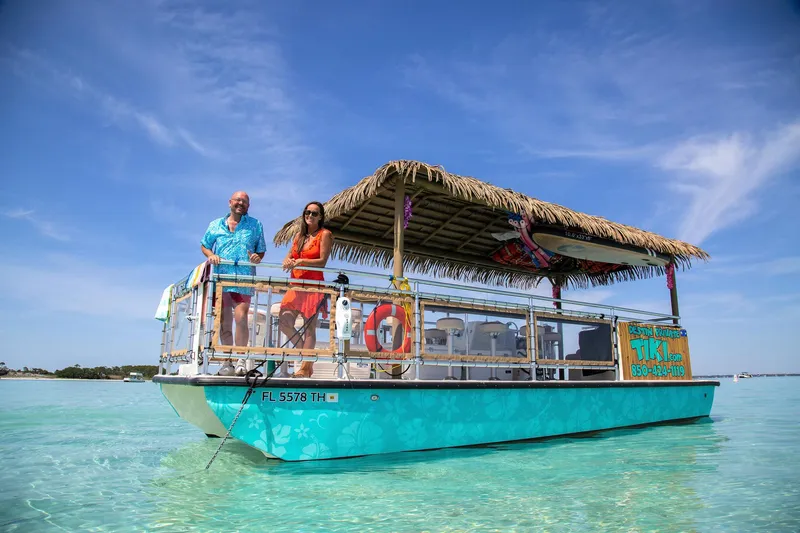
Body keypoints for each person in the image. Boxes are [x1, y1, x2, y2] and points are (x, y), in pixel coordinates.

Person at [201, 191, 266, 348]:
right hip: (221, 280)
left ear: (248, 206)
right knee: (224, 322)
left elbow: (261, 250)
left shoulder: (255, 225)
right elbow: (205, 245)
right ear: (230, 202)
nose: (241, 203)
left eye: (245, 201)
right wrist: (211, 255)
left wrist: (257, 257)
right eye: (238, 200)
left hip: (244, 280)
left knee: (241, 318)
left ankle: (241, 357)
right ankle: (227, 358)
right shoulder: (215, 224)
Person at [280, 201, 333, 377]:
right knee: (284, 322)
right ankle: (308, 359)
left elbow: (322, 261)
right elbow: (288, 257)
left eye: (314, 213)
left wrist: (302, 261)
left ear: (320, 217)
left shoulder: (325, 234)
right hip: (295, 286)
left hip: (313, 287)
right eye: (307, 212)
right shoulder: (299, 236)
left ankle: (305, 367)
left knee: (309, 328)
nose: (310, 215)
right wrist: (287, 261)